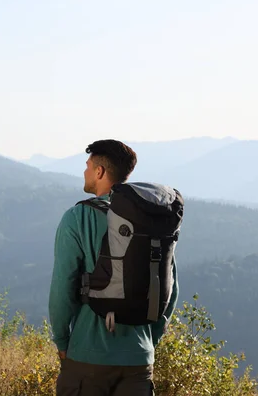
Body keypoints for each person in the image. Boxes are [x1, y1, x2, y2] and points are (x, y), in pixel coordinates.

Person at [48, 139, 179, 396]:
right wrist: (149, 339)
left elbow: (63, 286)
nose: (85, 171)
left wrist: (63, 341)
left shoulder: (78, 218)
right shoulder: (152, 219)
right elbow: (171, 289)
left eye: (88, 166)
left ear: (100, 172)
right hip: (139, 359)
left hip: (88, 355)